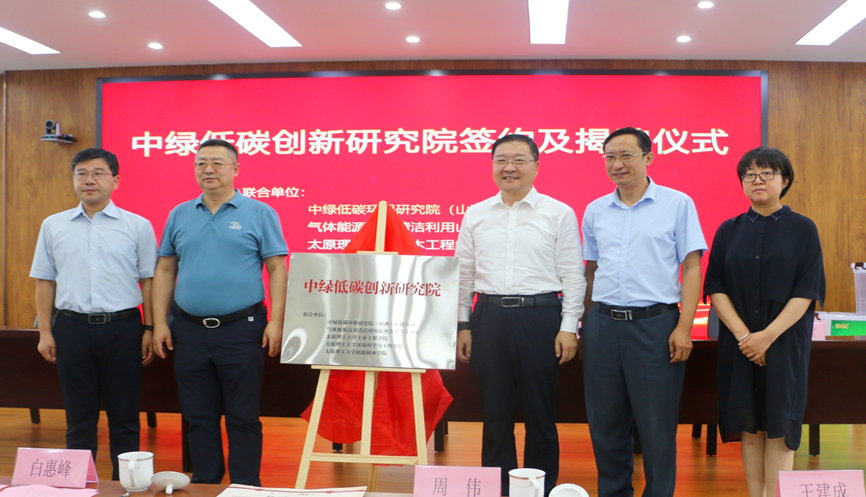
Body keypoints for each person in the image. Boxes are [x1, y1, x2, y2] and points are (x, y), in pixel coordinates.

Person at [455, 134, 586, 496]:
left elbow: (572, 275)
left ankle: (538, 490)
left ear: (536, 166)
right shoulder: (476, 213)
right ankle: (498, 489)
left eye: (519, 160)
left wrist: (569, 327)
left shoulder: (558, 212)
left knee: (540, 415)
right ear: (492, 165)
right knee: (494, 416)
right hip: (489, 318)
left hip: (541, 318)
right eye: (501, 160)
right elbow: (463, 275)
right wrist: (463, 324)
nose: (509, 167)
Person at [152, 139, 288, 486]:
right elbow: (165, 270)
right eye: (201, 163)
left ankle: (245, 487)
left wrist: (276, 321)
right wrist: (159, 323)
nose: (208, 169)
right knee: (198, 416)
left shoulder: (260, 212)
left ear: (235, 169)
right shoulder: (179, 214)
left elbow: (277, 268)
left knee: (243, 416)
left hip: (242, 329)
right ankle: (206, 484)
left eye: (216, 162)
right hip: (188, 329)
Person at [580, 127, 706, 497]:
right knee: (606, 424)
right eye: (610, 157)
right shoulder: (595, 210)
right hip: (603, 324)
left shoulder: (677, 203)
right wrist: (584, 322)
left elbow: (692, 267)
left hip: (655, 325)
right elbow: (591, 270)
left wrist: (684, 327)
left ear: (648, 158)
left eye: (626, 155)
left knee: (656, 425)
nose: (617, 164)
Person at [31, 148, 158, 480]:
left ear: (115, 180)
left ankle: (127, 485)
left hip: (123, 328)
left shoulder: (138, 226)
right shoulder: (53, 225)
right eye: (81, 173)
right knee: (79, 419)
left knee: (125, 417)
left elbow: (149, 281)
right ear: (73, 179)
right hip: (71, 328)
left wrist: (149, 328)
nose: (89, 180)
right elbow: (45, 281)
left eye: (98, 173)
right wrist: (45, 332)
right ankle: (79, 485)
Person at [704, 147, 824, 497]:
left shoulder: (803, 229)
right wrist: (746, 338)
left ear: (784, 180)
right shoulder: (729, 230)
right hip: (740, 344)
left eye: (766, 173)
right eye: (750, 175)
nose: (757, 180)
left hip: (784, 342)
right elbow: (716, 287)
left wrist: (767, 337)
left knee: (780, 425)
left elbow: (807, 290)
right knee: (750, 425)